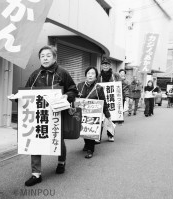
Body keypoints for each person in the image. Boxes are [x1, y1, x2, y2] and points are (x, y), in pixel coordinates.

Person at [24, 45, 78, 186]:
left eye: (48, 55)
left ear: (54, 57)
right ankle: (36, 174)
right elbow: (26, 92)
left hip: (57, 113)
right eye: (42, 56)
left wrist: (66, 96)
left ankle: (61, 162)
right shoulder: (35, 75)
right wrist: (18, 97)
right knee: (35, 140)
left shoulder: (62, 73)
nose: (45, 58)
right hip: (39, 113)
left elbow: (73, 90)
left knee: (57, 139)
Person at [77, 67, 111, 159]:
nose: (90, 75)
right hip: (82, 112)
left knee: (91, 130)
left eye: (93, 73)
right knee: (83, 129)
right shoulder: (79, 86)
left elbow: (103, 101)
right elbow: (75, 98)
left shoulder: (98, 88)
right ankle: (86, 144)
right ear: (85, 75)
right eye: (88, 73)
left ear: (96, 77)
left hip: (94, 113)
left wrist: (107, 114)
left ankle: (90, 149)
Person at [97, 57, 120, 142]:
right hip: (102, 98)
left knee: (111, 117)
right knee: (100, 118)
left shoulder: (115, 75)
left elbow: (119, 86)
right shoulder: (99, 75)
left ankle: (110, 135)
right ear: (101, 65)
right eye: (103, 64)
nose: (105, 66)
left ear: (110, 65)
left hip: (112, 99)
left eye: (107, 64)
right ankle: (98, 136)